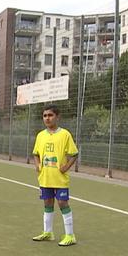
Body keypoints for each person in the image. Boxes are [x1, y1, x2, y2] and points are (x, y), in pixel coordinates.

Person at [31, 104, 79, 246]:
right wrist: (37, 164)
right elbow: (35, 154)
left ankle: (70, 235)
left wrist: (66, 167)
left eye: (50, 115)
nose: (47, 118)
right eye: (45, 116)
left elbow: (74, 154)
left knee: (62, 203)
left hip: (59, 178)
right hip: (45, 177)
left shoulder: (65, 134)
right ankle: (48, 232)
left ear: (57, 117)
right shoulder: (40, 135)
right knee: (47, 203)